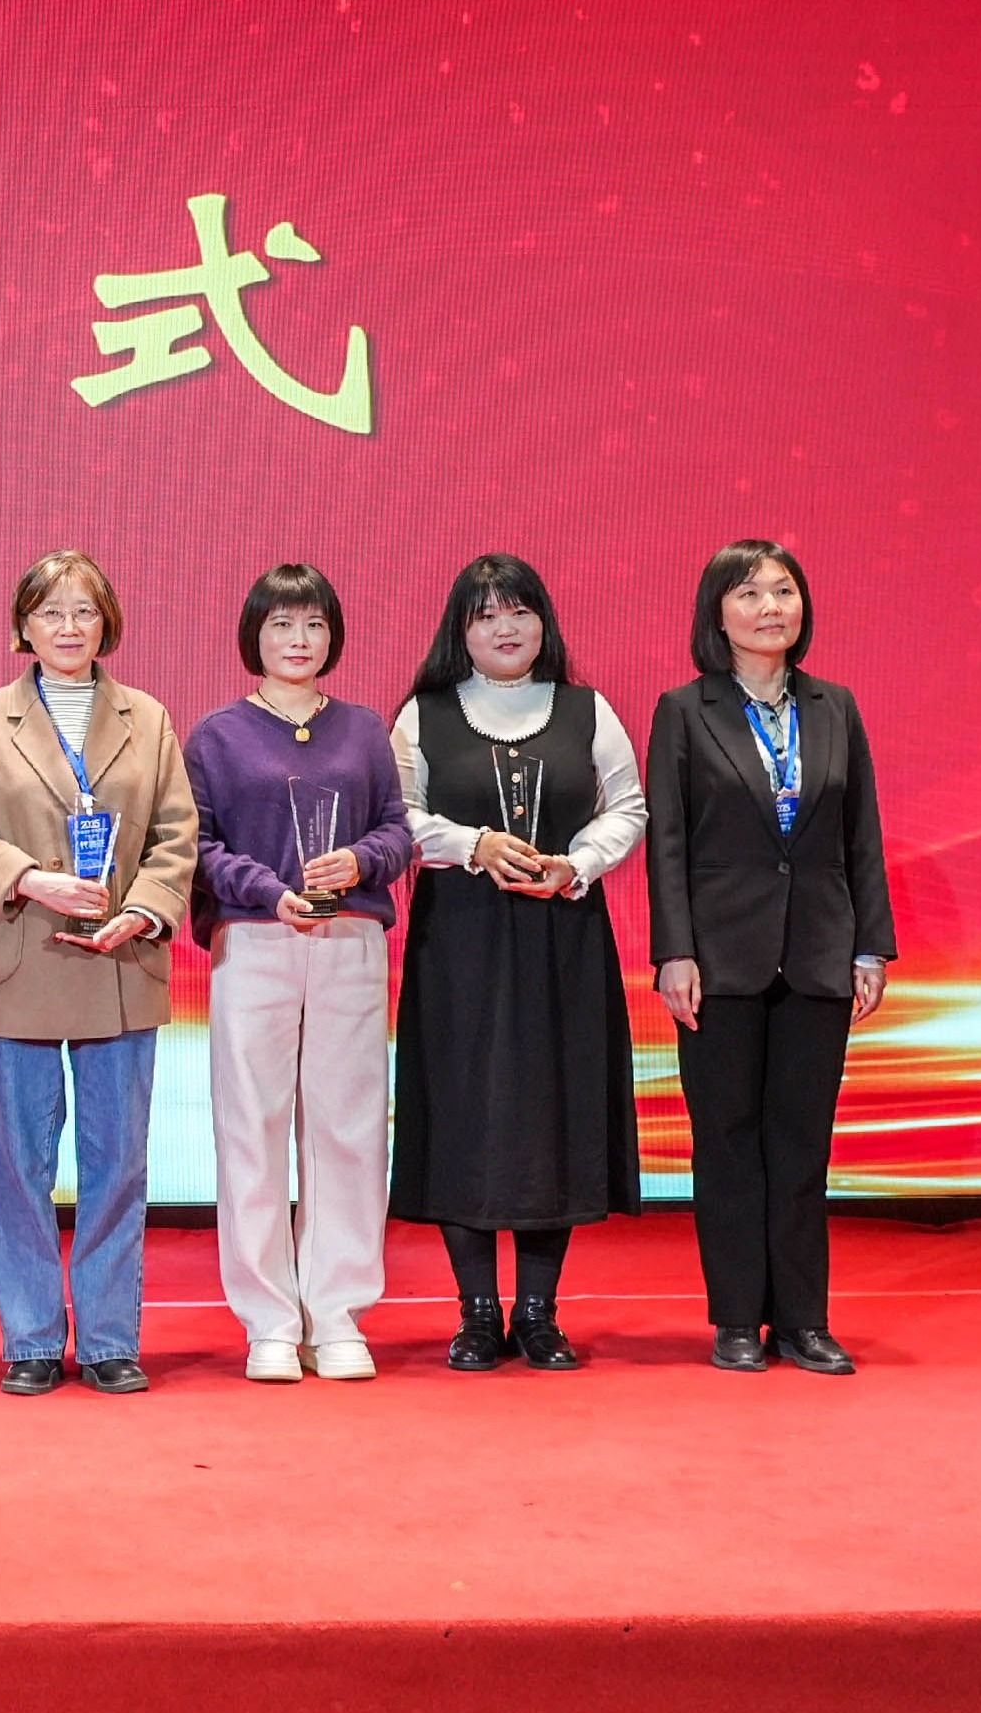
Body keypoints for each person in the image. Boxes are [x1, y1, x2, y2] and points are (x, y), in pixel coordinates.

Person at [0, 549, 198, 1398]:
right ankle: (33, 1338)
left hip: (122, 958)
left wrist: (143, 909)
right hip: (23, 954)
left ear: (106, 621)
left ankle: (112, 1337)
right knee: (19, 1167)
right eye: (51, 611)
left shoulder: (147, 718)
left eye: (84, 610)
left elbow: (177, 835)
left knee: (118, 1163)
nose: (69, 626)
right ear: (24, 625)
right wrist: (29, 878)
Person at [389, 552, 650, 1373]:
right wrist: (472, 844)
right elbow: (398, 817)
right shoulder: (424, 714)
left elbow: (628, 806)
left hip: (563, 937)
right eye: (486, 614)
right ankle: (476, 1312)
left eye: (520, 611)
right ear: (459, 630)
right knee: (463, 1112)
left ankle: (538, 1312)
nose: (505, 628)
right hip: (458, 945)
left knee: (553, 1112)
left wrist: (579, 863)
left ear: (544, 621)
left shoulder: (587, 709)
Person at [646, 540, 896, 1376]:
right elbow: (669, 845)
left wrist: (870, 943)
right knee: (726, 1141)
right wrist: (674, 950)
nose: (769, 607)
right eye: (748, 593)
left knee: (801, 1144)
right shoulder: (685, 710)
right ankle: (733, 1319)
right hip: (719, 958)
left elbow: (862, 834)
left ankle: (803, 1320)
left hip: (819, 951)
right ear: (717, 613)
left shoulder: (835, 707)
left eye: (783, 591)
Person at [184, 563, 415, 1384]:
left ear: (333, 636)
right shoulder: (216, 735)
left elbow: (398, 829)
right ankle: (270, 1320)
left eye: (314, 624)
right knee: (251, 1126)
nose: (298, 639)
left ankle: (339, 1313)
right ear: (254, 634)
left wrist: (361, 859)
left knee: (349, 1127)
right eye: (281, 623)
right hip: (255, 939)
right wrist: (265, 889)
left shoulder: (363, 730)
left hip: (349, 938)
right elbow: (196, 845)